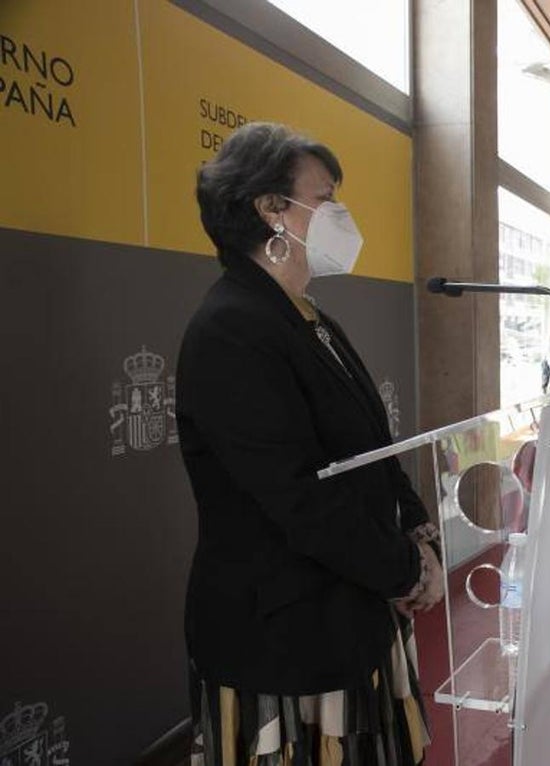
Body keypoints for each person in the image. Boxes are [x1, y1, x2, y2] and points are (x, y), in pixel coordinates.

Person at [177, 123, 440, 764]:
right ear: (271, 209)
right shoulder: (231, 328)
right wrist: (404, 571)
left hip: (350, 610)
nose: (340, 216)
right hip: (283, 632)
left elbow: (373, 448)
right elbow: (296, 496)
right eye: (325, 199)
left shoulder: (310, 315)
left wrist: (417, 529)